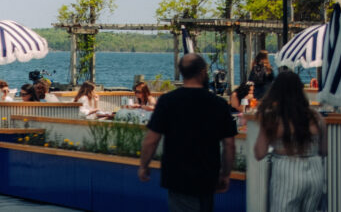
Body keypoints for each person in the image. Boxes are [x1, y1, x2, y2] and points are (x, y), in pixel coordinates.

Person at [138, 53, 238, 212]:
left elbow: (151, 139)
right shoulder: (218, 104)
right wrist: (225, 174)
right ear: (203, 72)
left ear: (182, 72)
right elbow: (229, 144)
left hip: (178, 176)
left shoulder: (167, 101)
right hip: (208, 174)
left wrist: (144, 165)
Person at [253, 70, 328, 211]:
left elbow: (259, 153)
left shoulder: (274, 118)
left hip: (287, 170)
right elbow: (324, 150)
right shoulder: (316, 117)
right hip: (315, 171)